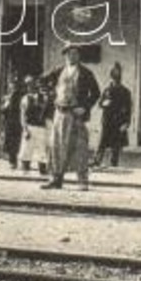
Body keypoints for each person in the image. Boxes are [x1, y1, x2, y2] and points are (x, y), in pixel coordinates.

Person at [39, 45, 100, 190]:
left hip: (76, 115)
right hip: (59, 113)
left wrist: (84, 107)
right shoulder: (59, 70)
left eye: (75, 54)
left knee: (79, 147)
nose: (72, 56)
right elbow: (41, 81)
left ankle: (82, 181)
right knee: (56, 146)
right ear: (65, 56)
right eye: (69, 54)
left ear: (79, 56)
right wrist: (50, 94)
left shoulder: (86, 73)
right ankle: (56, 179)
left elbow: (96, 93)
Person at [92, 63, 132, 169]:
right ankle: (97, 161)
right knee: (102, 142)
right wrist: (104, 103)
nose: (115, 80)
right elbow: (100, 103)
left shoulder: (125, 92)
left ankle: (114, 163)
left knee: (116, 144)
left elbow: (128, 109)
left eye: (117, 77)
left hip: (118, 120)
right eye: (114, 77)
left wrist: (127, 122)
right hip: (107, 120)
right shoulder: (107, 90)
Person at [23, 76, 51, 177]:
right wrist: (25, 128)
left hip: (41, 126)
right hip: (30, 125)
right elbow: (23, 115)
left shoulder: (45, 99)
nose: (32, 87)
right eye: (29, 85)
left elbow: (48, 113)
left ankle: (42, 170)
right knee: (27, 148)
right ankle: (25, 169)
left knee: (42, 149)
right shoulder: (26, 98)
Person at [0, 73, 29, 171]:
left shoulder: (19, 96)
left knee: (15, 142)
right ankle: (12, 160)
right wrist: (4, 105)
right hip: (9, 122)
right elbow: (3, 110)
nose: (12, 86)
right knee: (11, 142)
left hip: (16, 121)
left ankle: (14, 161)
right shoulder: (8, 96)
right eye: (11, 84)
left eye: (14, 85)